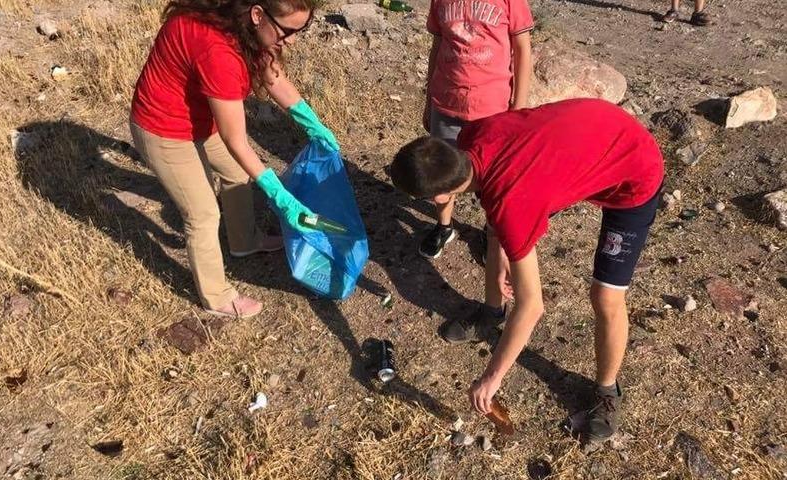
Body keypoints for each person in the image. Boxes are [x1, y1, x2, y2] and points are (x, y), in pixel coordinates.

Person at [390, 98, 664, 443]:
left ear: (440, 197)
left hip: (632, 171)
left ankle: (607, 392)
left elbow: (532, 306)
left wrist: (493, 377)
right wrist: (506, 248)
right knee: (496, 231)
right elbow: (500, 212)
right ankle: (491, 313)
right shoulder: (474, 136)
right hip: (591, 134)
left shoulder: (512, 200)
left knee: (606, 297)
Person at [130, 0, 339, 319]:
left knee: (237, 174)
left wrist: (313, 124)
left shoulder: (245, 26)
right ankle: (216, 296)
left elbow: (273, 78)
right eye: (289, 31)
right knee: (202, 214)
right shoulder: (219, 52)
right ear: (258, 14)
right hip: (163, 127)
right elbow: (236, 141)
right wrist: (279, 194)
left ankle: (244, 240)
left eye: (302, 29)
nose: (293, 40)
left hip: (200, 118)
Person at [419, 0, 534, 261]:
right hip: (446, 102)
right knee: (442, 173)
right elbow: (437, 46)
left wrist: (519, 108)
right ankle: (444, 226)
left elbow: (522, 48)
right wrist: (429, 101)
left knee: (494, 180)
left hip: (492, 109)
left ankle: (491, 231)